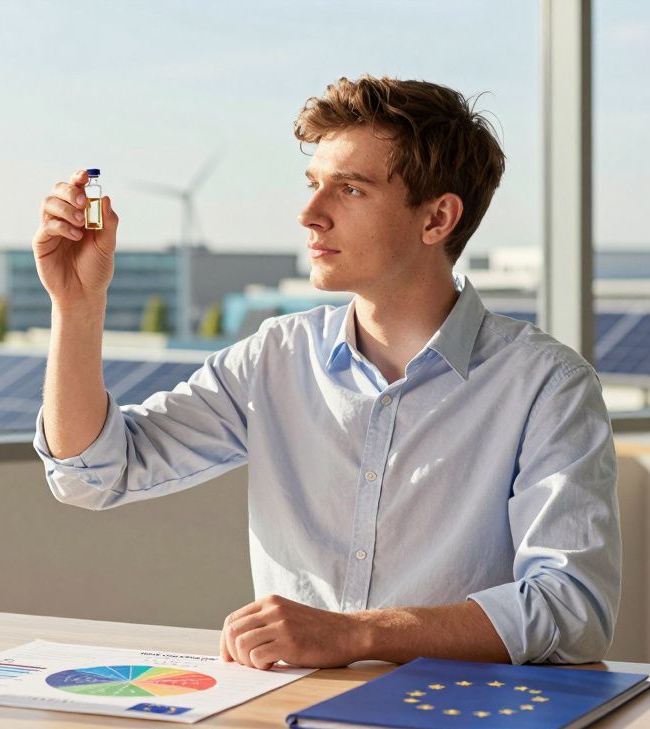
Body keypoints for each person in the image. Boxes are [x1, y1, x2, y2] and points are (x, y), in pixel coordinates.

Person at [31, 75, 620, 671]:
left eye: (351, 190)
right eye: (313, 184)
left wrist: (358, 635)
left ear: (438, 218)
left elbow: (572, 610)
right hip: (290, 713)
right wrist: (77, 307)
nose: (309, 214)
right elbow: (93, 474)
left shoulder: (546, 385)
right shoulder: (274, 357)